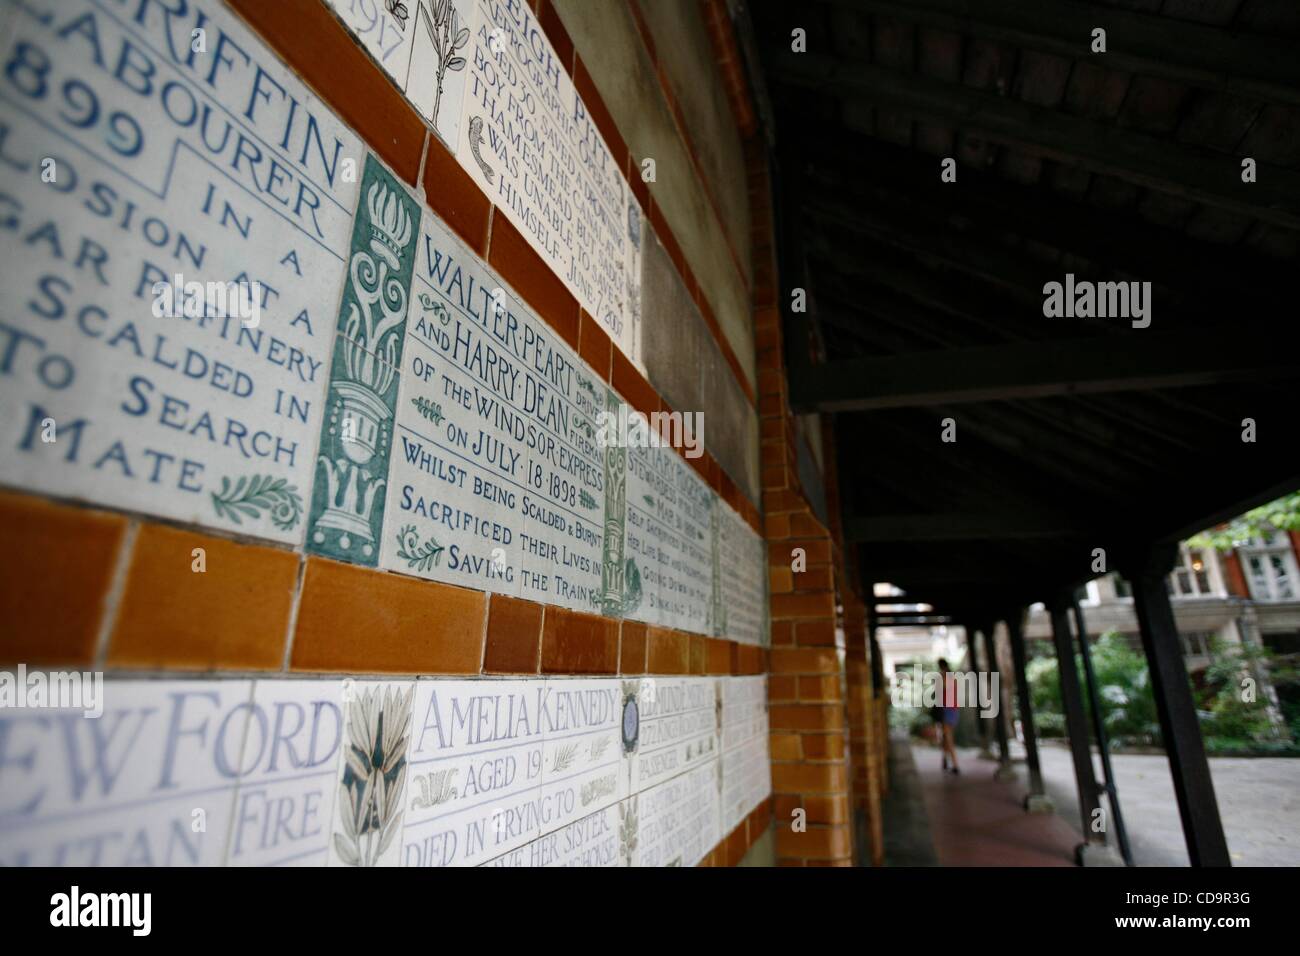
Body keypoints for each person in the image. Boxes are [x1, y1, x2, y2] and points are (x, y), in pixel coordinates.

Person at [937, 658, 960, 775]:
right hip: (953, 708)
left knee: (948, 737)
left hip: (947, 708)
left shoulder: (944, 677)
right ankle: (945, 759)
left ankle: (955, 764)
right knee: (946, 736)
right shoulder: (953, 676)